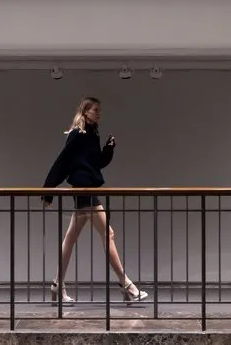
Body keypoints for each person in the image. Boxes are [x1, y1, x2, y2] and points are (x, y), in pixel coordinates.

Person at [41, 96, 148, 305]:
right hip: (84, 190)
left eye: (100, 110)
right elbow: (62, 162)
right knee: (108, 234)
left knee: (70, 238)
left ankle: (57, 284)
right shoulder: (76, 135)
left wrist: (108, 149)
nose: (99, 113)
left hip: (87, 189)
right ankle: (127, 285)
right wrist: (48, 190)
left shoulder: (92, 135)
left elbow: (96, 163)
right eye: (95, 110)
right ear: (85, 112)